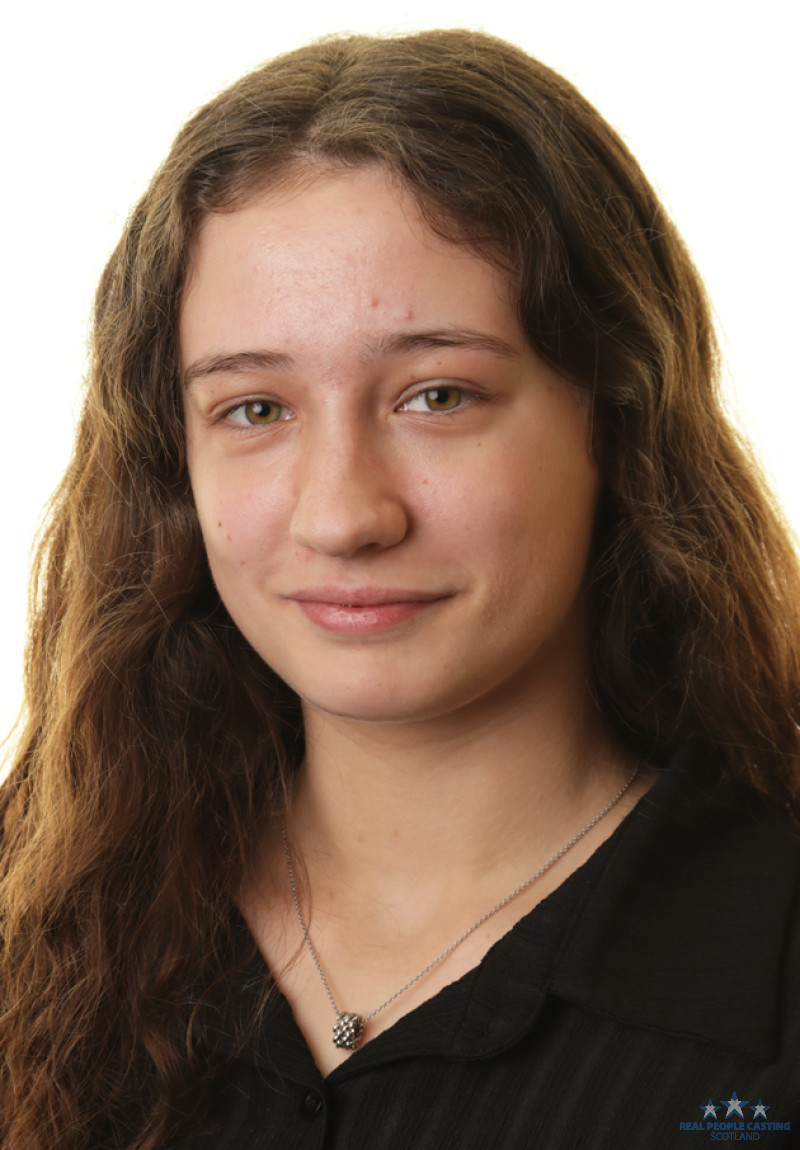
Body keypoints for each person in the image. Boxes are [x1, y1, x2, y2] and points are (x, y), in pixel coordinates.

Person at [1, 28, 799, 1150]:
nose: (341, 515)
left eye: (437, 396)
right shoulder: (36, 928)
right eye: (255, 409)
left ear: (619, 422)